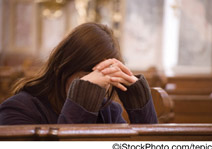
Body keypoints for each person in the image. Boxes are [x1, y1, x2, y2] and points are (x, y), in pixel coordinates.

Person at [0, 22, 158, 125]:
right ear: (63, 67)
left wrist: (138, 102)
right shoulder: (19, 108)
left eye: (103, 79)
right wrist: (82, 97)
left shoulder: (108, 111)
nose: (96, 86)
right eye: (87, 77)